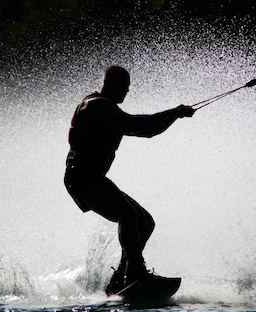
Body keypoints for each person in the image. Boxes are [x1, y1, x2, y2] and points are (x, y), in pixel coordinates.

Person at [64, 65, 195, 295]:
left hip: (89, 177)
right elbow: (140, 126)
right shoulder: (98, 106)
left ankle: (120, 280)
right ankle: (135, 272)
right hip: (83, 177)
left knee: (144, 222)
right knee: (128, 214)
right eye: (124, 87)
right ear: (111, 84)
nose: (127, 92)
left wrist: (174, 115)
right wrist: (175, 112)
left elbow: (147, 131)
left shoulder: (104, 107)